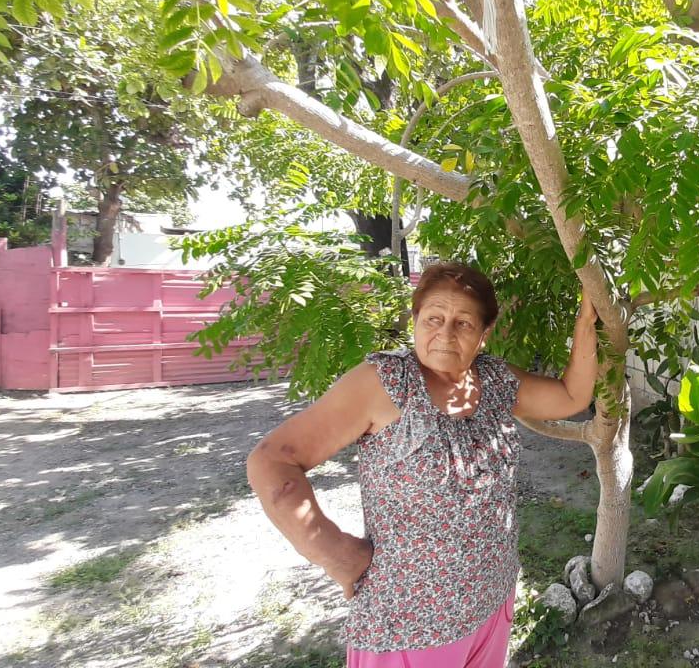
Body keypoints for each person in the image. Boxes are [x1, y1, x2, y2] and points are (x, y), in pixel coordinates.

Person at [246, 262, 598, 668]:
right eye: (433, 318)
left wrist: (587, 321)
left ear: (484, 334)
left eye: (463, 323)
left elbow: (572, 396)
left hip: (491, 601)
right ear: (415, 319)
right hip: (412, 623)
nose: (445, 334)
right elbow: (273, 460)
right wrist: (334, 552)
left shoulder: (494, 380)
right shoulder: (384, 383)